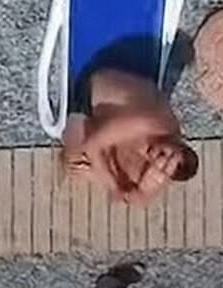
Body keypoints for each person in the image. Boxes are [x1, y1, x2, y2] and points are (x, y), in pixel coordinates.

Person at [62, 61, 198, 206]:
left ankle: (99, 165)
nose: (154, 158)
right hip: (89, 94)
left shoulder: (170, 159)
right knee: (73, 159)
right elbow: (92, 144)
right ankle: (96, 167)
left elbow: (141, 199)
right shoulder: (151, 123)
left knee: (131, 172)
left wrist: (141, 192)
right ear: (177, 142)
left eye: (159, 166)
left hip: (113, 118)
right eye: (161, 153)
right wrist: (112, 186)